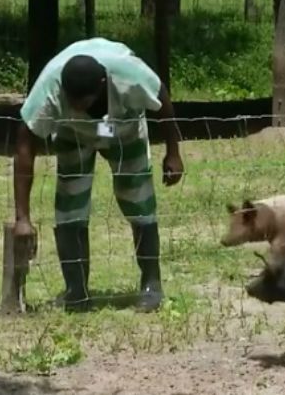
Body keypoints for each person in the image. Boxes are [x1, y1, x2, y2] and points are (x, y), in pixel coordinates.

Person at [13, 37, 184, 313]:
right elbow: (25, 142)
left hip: (124, 128)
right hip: (73, 133)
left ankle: (151, 284)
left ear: (103, 84)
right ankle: (76, 291)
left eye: (83, 102)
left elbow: (161, 97)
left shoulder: (129, 73)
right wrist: (22, 218)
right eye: (71, 101)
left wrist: (173, 152)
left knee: (139, 200)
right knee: (70, 207)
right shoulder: (49, 87)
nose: (77, 106)